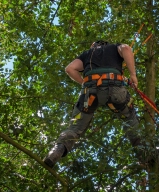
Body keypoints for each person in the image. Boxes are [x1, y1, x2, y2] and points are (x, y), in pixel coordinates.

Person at [43, 40, 142, 168]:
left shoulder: (87, 54)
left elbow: (70, 69)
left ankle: (57, 150)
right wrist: (133, 75)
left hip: (89, 93)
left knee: (75, 128)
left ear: (93, 46)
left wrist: (86, 83)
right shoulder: (114, 47)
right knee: (130, 118)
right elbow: (127, 49)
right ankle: (143, 152)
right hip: (115, 90)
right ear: (105, 44)